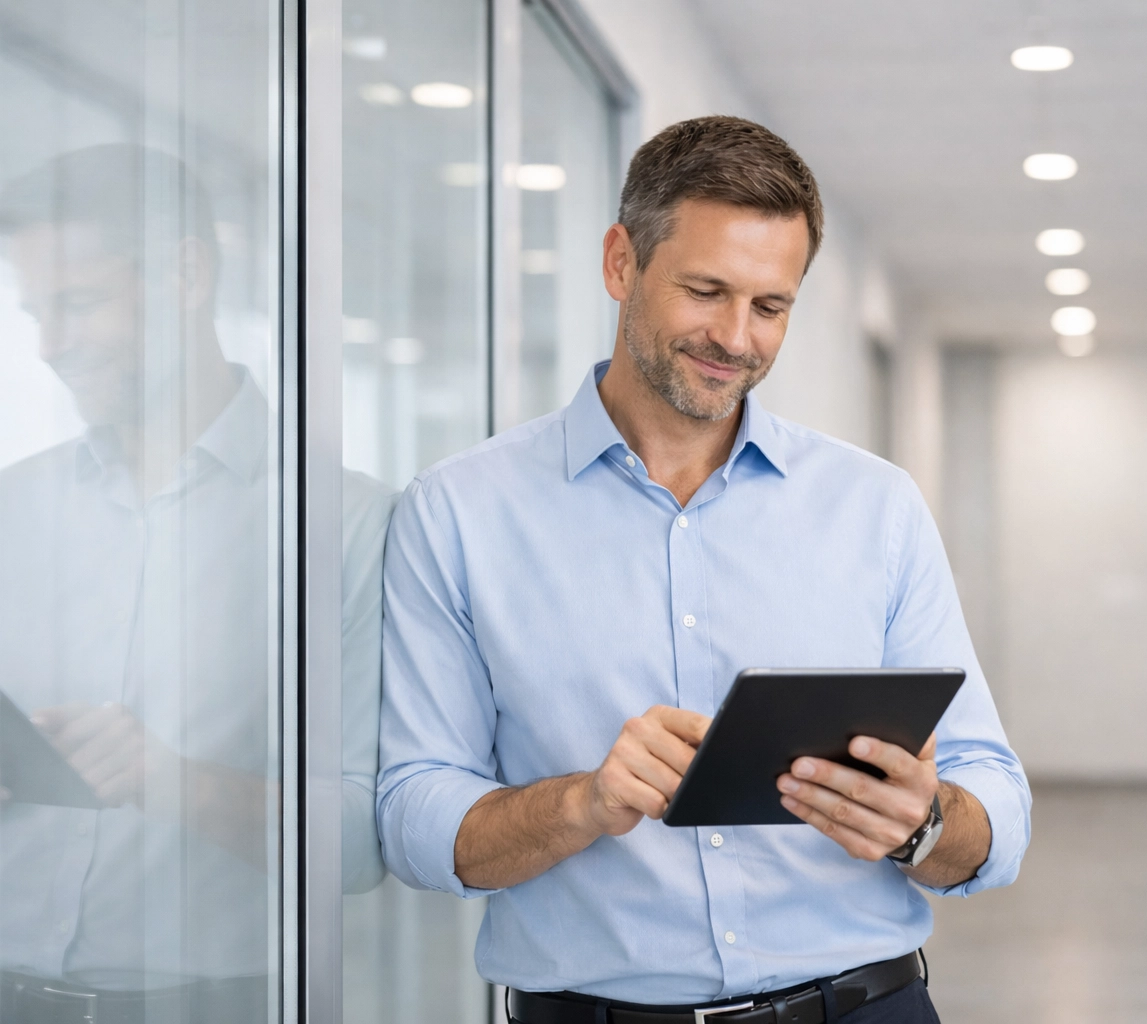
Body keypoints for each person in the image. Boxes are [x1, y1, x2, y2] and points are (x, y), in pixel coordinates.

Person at [376, 115, 1030, 1024]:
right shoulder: (457, 513)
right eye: (706, 291)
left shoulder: (874, 507)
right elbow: (412, 816)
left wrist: (921, 824)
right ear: (620, 263)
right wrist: (585, 803)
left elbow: (996, 804)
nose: (736, 337)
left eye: (771, 307)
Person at [0, 144, 393, 1022]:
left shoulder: (345, 525)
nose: (50, 347)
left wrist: (172, 782)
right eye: (34, 312)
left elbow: (365, 843)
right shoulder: (10, 509)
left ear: (185, 273)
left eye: (79, 303)